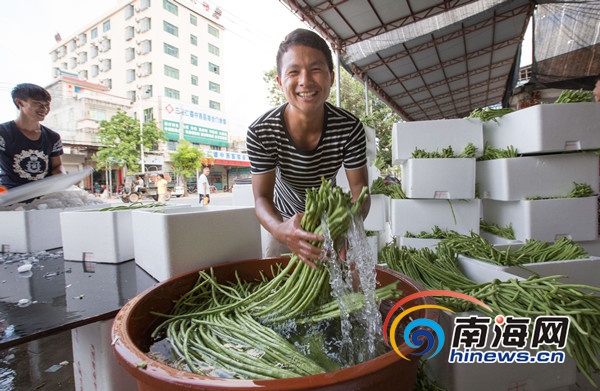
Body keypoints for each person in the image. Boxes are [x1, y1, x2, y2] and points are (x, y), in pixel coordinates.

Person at [246, 28, 370, 267]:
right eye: (294, 72)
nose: (305, 81)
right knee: (281, 287)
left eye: (316, 69)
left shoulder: (350, 128)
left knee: (334, 291)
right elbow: (262, 198)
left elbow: (360, 191)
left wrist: (344, 226)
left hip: (331, 220)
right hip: (283, 218)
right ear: (281, 82)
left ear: (331, 77)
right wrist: (281, 230)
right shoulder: (262, 131)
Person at [0, 83, 64, 189]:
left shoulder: (53, 137)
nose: (44, 108)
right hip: (10, 195)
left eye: (47, 104)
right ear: (20, 102)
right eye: (37, 103)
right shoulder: (3, 133)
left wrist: (63, 177)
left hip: (45, 196)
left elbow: (57, 166)